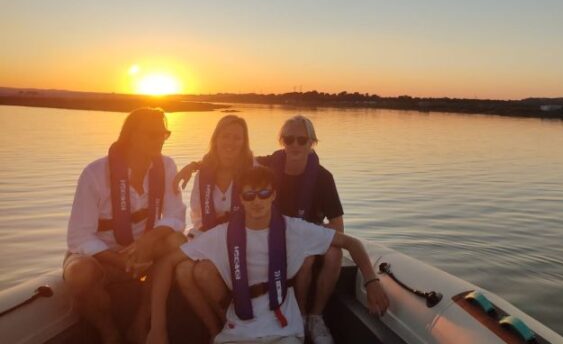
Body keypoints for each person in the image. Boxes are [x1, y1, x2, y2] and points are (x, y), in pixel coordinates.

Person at [148, 165, 388, 344]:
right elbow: (167, 264)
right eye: (249, 195)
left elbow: (351, 243)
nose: (256, 201)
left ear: (273, 195)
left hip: (283, 328)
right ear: (240, 199)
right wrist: (157, 326)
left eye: (264, 194)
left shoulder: (294, 229)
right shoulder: (223, 235)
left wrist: (372, 281)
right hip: (237, 330)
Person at [174, 115, 344, 344]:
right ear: (282, 141)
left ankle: (312, 317)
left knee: (324, 256)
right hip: (245, 235)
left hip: (291, 234)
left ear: (312, 142)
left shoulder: (322, 178)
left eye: (301, 140)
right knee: (187, 271)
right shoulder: (270, 164)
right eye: (289, 139)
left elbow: (338, 227)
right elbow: (227, 159)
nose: (294, 145)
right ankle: (224, 325)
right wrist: (195, 165)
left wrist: (314, 237)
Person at [63, 108, 186, 344]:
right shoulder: (95, 173)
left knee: (177, 242)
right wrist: (119, 259)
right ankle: (109, 333)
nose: (160, 140)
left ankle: (141, 323)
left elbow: (176, 215)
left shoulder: (167, 166)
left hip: (144, 252)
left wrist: (148, 240)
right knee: (79, 273)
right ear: (131, 135)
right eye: (152, 134)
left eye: (164, 134)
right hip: (103, 256)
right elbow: (78, 236)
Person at [174, 115, 255, 328]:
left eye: (237, 138)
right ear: (216, 139)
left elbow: (259, 212)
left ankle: (232, 324)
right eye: (225, 136)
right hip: (209, 236)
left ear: (244, 142)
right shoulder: (203, 173)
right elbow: (197, 214)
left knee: (203, 273)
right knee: (182, 272)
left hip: (243, 240)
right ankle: (215, 329)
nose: (230, 143)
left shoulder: (254, 170)